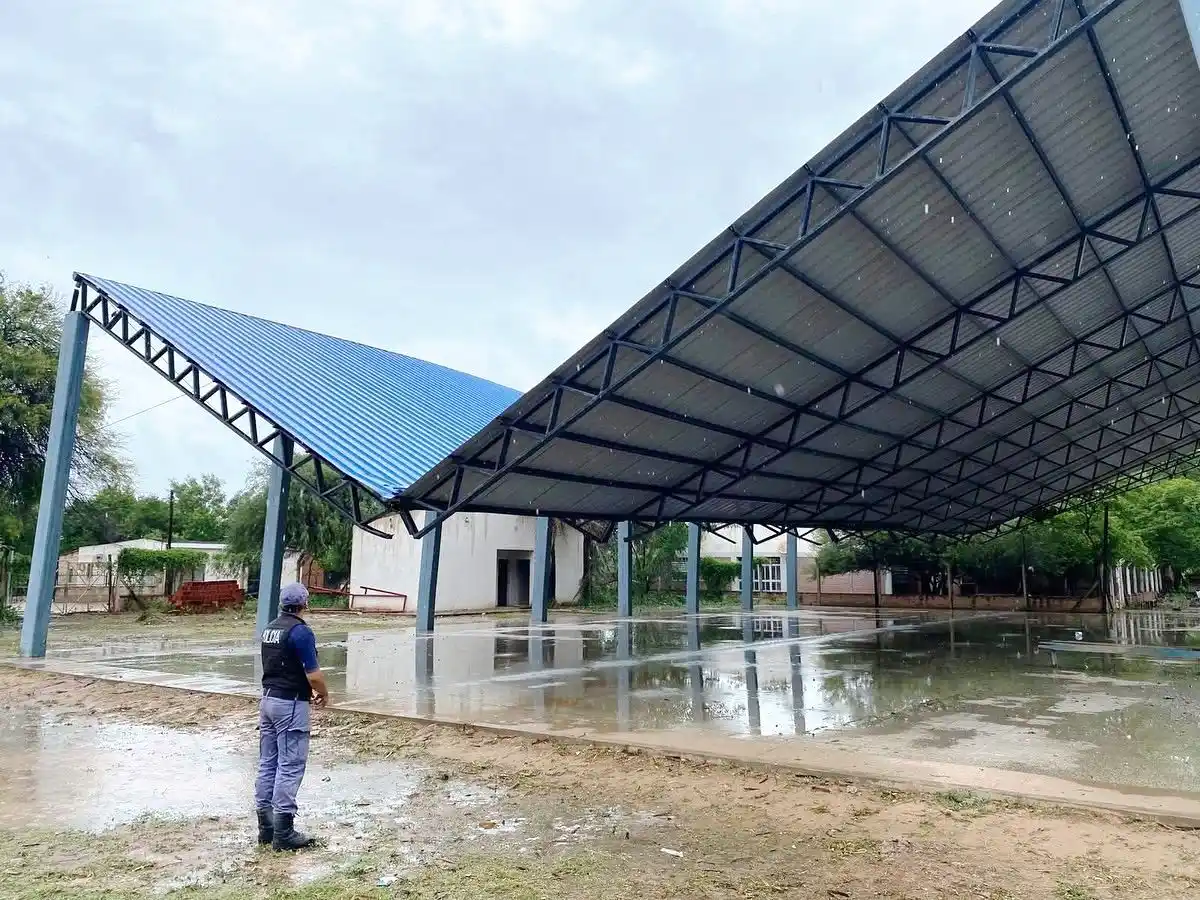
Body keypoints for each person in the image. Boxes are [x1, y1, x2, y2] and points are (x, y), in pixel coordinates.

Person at [253, 581, 329, 851]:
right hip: (290, 704)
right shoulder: (300, 632)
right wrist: (324, 692)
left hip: (268, 700)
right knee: (291, 765)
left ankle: (266, 828)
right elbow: (314, 675)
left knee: (267, 764)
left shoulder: (270, 629)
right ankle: (284, 833)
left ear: (282, 603)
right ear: (305, 604)